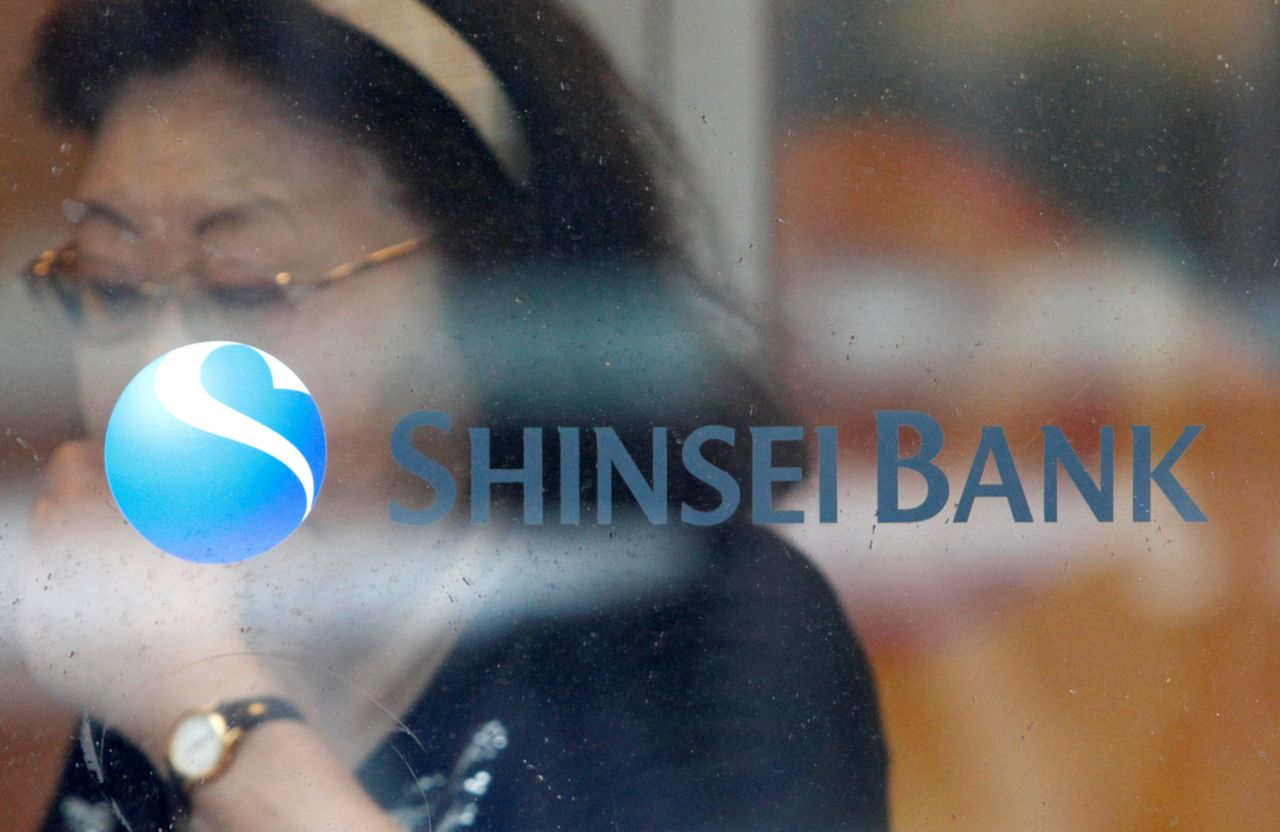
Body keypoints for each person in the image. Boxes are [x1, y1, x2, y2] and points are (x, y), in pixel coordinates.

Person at [17, 1, 889, 829]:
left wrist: (203, 710)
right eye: (113, 282)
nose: (158, 371)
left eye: (246, 287)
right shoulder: (161, 630)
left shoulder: (696, 635)